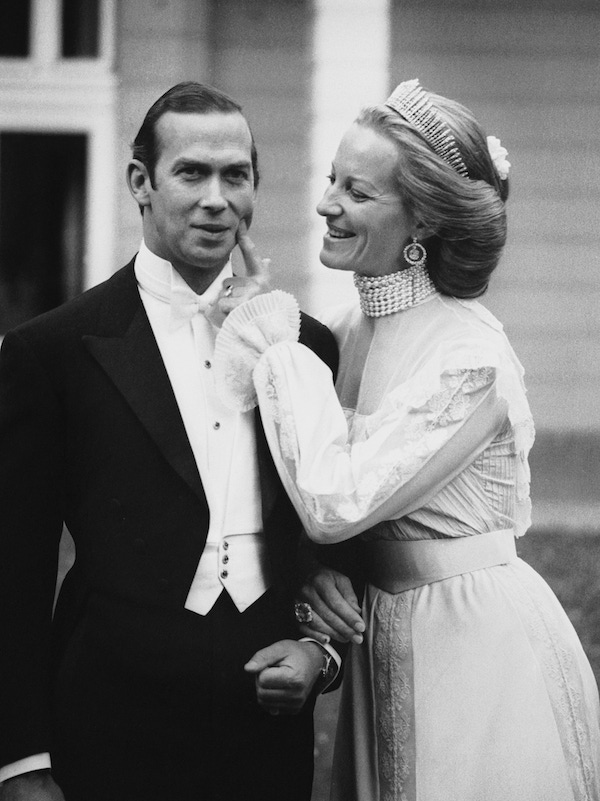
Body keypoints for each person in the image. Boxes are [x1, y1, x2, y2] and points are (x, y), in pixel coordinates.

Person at [212, 78, 600, 800]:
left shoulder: (468, 357)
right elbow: (316, 512)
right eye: (332, 180)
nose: (326, 203)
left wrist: (270, 334)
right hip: (381, 637)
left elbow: (336, 497)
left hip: (476, 646)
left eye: (357, 191)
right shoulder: (344, 331)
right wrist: (320, 574)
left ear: (422, 221)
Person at [0, 81, 340, 801]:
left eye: (236, 175)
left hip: (265, 730)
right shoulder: (52, 351)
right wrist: (21, 760)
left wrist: (319, 652)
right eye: (191, 172)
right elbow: (14, 569)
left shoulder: (308, 346)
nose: (217, 198)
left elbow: (329, 543)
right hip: (108, 727)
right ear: (141, 183)